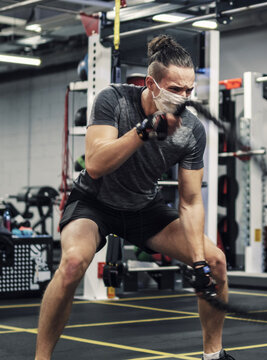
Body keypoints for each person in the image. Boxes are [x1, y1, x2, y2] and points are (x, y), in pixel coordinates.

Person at [35, 35, 234, 360]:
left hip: (143, 207)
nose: (183, 97)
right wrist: (143, 131)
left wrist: (197, 260)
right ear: (151, 84)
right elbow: (96, 165)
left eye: (189, 90)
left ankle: (213, 355)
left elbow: (191, 201)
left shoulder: (192, 130)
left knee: (216, 263)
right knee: (72, 265)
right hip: (94, 203)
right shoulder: (113, 99)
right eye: (175, 89)